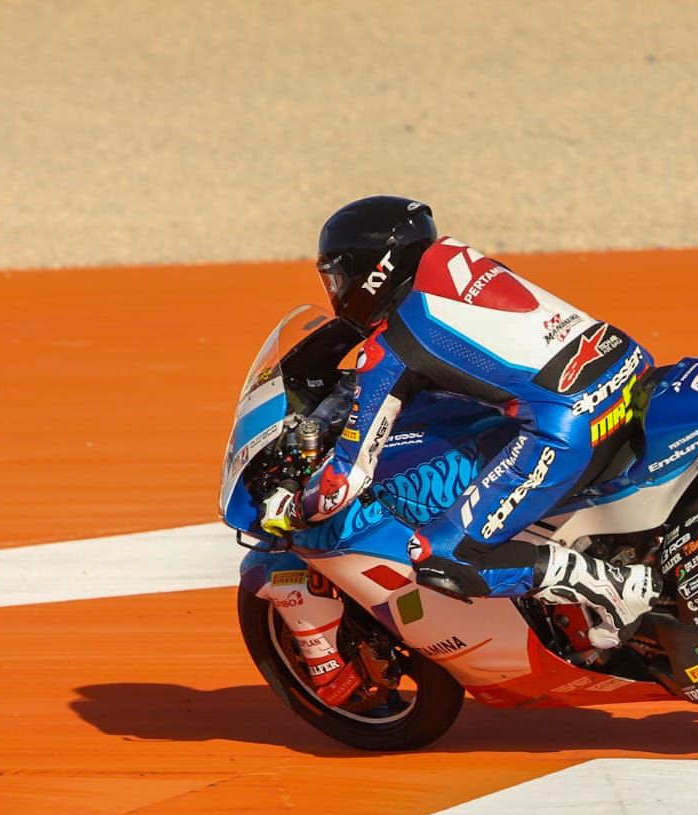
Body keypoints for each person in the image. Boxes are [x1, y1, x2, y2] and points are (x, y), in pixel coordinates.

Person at [258, 196, 660, 684]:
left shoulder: (392, 345)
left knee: (440, 555)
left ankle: (614, 586)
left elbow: (347, 477)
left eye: (338, 278)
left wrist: (293, 509)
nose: (337, 291)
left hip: (569, 424)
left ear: (375, 270)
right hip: (629, 371)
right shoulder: (460, 266)